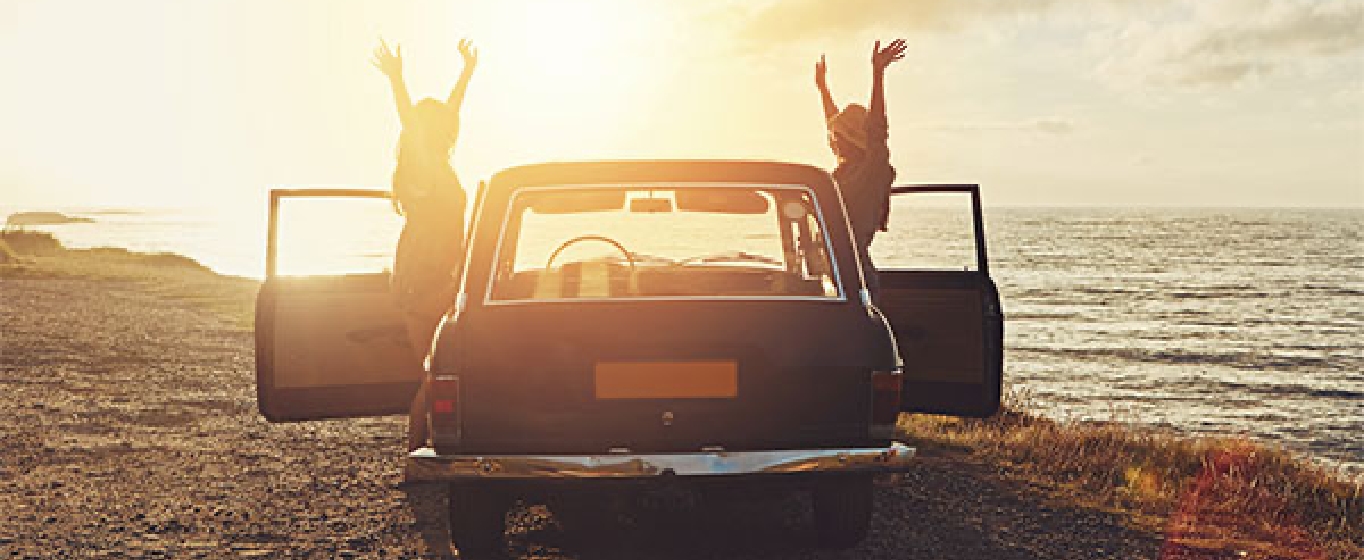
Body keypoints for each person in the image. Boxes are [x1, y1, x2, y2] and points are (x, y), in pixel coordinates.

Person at [373, 38, 477, 451]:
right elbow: (413, 124)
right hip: (425, 276)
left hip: (441, 273)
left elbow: (450, 113)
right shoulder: (426, 167)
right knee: (434, 372)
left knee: (441, 369)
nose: (450, 123)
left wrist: (467, 72)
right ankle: (416, 456)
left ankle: (428, 447)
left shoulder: (439, 165)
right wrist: (397, 81)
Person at [815, 39, 906, 300]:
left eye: (839, 136)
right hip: (832, 267)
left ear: (853, 139)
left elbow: (877, 128)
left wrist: (878, 75)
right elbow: (831, 122)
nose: (834, 140)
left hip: (854, 274)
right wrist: (823, 90)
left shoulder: (871, 170)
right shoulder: (844, 170)